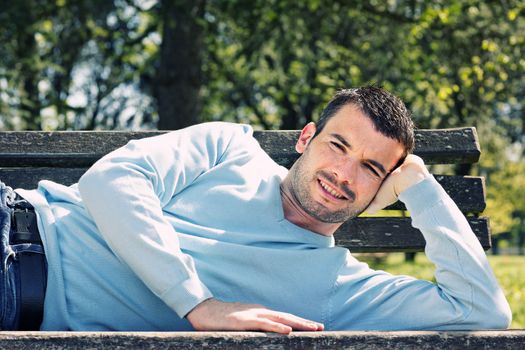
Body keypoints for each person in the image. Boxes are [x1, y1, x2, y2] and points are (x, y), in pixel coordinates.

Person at [1, 86, 511, 332]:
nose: (344, 175)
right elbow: (112, 179)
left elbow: (482, 311)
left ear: (384, 187)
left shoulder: (338, 287)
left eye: (372, 169)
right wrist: (198, 304)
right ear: (305, 138)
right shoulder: (230, 148)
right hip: (15, 223)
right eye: (337, 146)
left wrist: (419, 185)